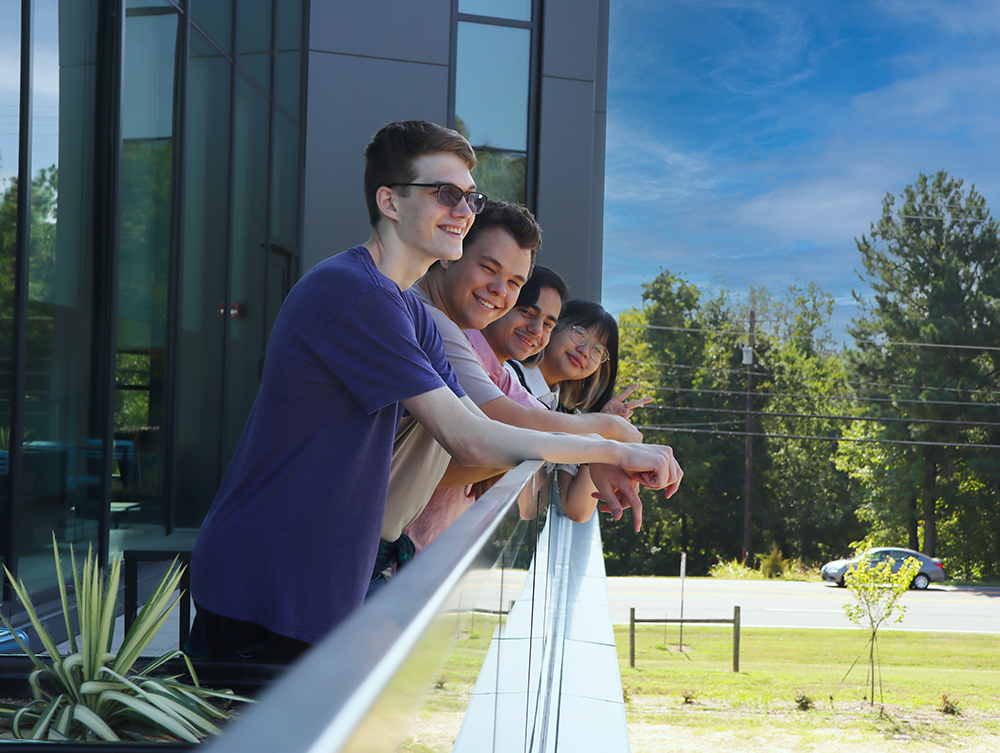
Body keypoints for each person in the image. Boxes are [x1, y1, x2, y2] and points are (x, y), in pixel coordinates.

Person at [189, 120, 682, 661]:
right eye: (446, 193)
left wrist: (602, 455)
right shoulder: (356, 293)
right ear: (391, 202)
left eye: (472, 197)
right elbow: (469, 439)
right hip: (265, 583)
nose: (464, 211)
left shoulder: (405, 310)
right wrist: (614, 447)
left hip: (312, 584)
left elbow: (488, 429)